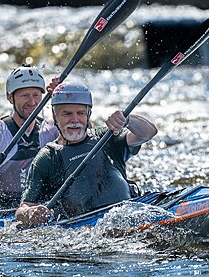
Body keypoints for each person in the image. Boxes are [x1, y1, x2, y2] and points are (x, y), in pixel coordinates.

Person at [14, 82, 158, 228]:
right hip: (85, 228)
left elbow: (148, 133)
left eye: (80, 113)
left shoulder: (107, 137)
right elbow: (22, 210)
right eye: (67, 114)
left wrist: (128, 120)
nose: (75, 120)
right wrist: (30, 213)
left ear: (88, 114)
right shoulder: (47, 157)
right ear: (55, 116)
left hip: (129, 214)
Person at [0, 65, 59, 208]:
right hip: (2, 208)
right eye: (25, 96)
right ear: (10, 97)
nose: (32, 102)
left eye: (36, 95)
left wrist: (61, 95)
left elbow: (80, 132)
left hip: (41, 207)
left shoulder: (52, 130)